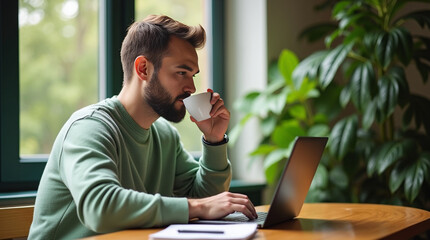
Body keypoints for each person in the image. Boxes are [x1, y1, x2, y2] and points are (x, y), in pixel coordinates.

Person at [28, 15, 257, 239]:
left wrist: (214, 140)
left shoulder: (165, 136)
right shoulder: (88, 127)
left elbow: (208, 200)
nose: (191, 87)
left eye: (193, 75)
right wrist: (196, 206)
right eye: (181, 73)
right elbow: (100, 207)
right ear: (143, 69)